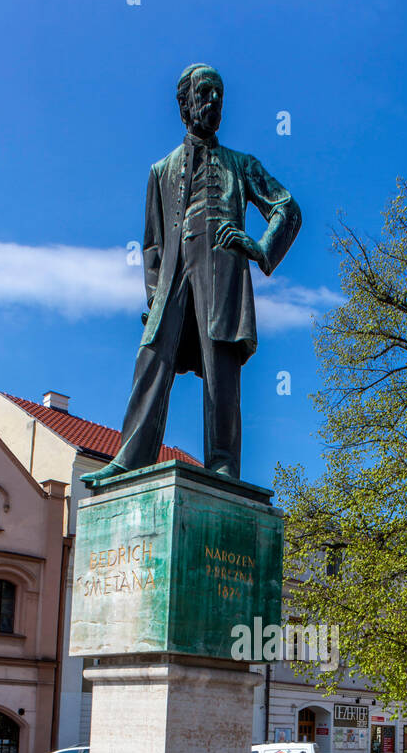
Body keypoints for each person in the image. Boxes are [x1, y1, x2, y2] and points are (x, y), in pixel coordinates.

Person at [86, 63, 301, 485]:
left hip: (222, 272)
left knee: (221, 364)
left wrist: (260, 248)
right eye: (205, 93)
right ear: (184, 104)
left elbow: (287, 207)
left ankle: (222, 461)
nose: (214, 102)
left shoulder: (241, 164)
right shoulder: (161, 170)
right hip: (173, 280)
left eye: (220, 94)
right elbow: (152, 242)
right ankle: (131, 456)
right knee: (151, 356)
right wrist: (153, 297)